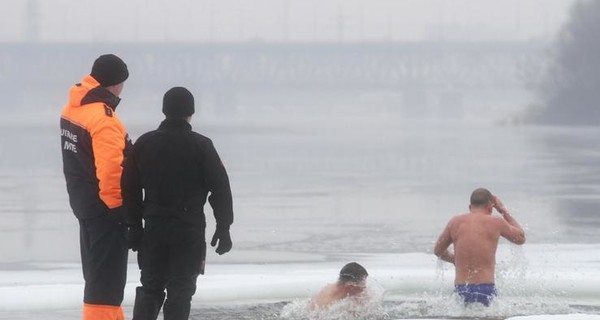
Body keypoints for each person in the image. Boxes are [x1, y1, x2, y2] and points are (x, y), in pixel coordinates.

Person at [122, 87, 234, 320]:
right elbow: (220, 188)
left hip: (154, 228)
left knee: (150, 287)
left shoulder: (144, 144)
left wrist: (133, 226)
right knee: (181, 292)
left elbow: (129, 188)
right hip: (188, 230)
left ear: (164, 111)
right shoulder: (202, 145)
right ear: (190, 113)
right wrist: (224, 227)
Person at [60, 54, 131, 319]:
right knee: (106, 285)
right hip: (105, 209)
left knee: (97, 277)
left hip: (82, 203)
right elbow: (111, 169)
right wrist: (119, 210)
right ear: (114, 84)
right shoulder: (104, 119)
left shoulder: (72, 109)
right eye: (123, 83)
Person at [433, 188, 526, 307]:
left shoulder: (455, 222)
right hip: (485, 289)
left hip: (462, 289)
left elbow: (438, 250)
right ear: (490, 207)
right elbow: (520, 238)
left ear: (469, 207)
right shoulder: (496, 221)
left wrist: (455, 260)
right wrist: (503, 210)